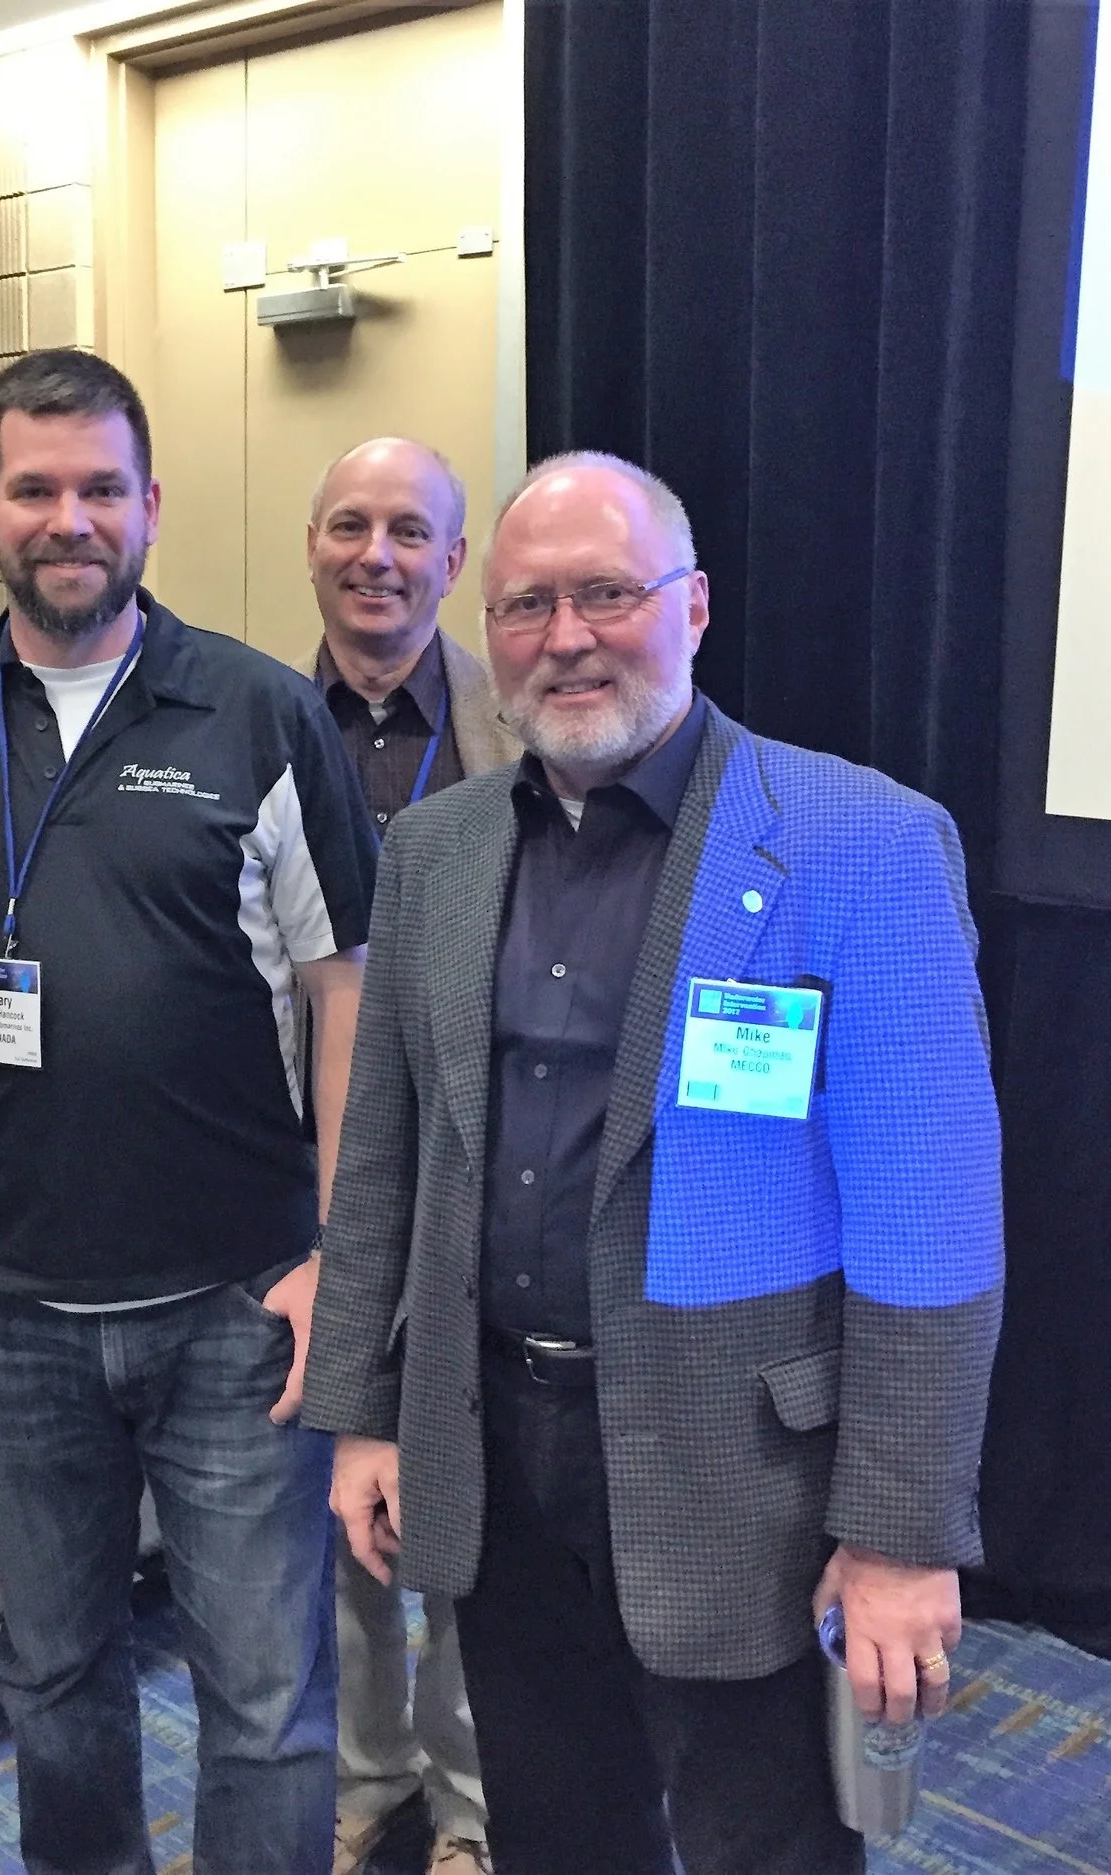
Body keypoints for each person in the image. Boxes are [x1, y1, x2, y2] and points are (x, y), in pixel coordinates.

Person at [303, 451, 1004, 1875]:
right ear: (482, 628)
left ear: (692, 607)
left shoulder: (857, 842)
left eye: (607, 593)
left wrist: (897, 1534)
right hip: (497, 1451)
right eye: (525, 606)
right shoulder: (435, 851)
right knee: (560, 1831)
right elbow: (386, 1159)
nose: (565, 637)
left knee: (769, 1847)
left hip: (741, 1471)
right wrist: (368, 1415)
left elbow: (928, 1221)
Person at [0, 348, 378, 1875]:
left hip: (242, 1299)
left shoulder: (258, 710)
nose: (70, 517)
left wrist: (337, 1255)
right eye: (34, 487)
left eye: (102, 486)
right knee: (52, 1676)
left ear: (151, 504)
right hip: (8, 1301)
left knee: (266, 1693)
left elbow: (343, 992)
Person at [305, 436, 512, 1875]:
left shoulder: (528, 714)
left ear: (454, 561)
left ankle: (471, 1803)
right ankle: (365, 1778)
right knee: (330, 1505)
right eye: (349, 525)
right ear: (311, 546)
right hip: (305, 1181)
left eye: (410, 531)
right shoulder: (249, 718)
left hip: (485, 1182)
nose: (377, 553)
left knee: (469, 1512)